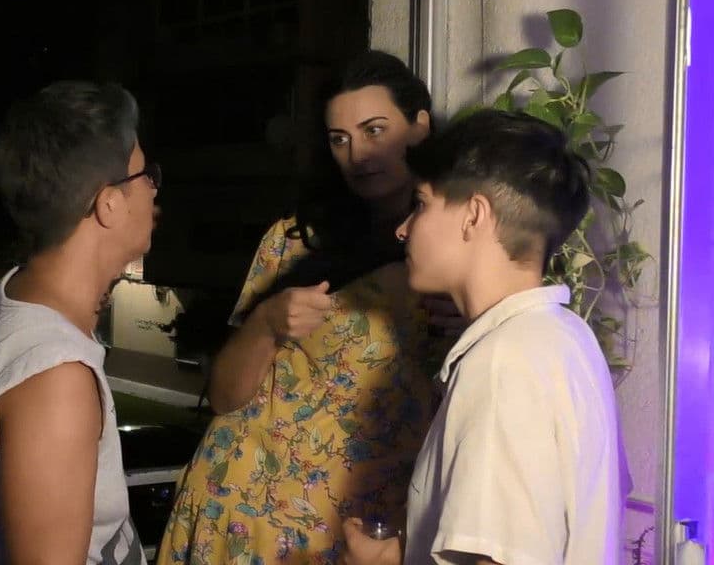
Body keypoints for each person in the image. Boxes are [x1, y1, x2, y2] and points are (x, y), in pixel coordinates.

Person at [159, 52, 459, 564]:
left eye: (375, 130)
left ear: (420, 126)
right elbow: (225, 397)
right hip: (247, 508)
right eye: (339, 139)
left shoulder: (460, 247)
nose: (357, 154)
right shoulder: (297, 240)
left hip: (366, 527)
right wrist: (266, 322)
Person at [342, 109, 627, 565]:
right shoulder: (566, 336)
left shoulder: (503, 362)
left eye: (421, 204)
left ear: (473, 216)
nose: (403, 228)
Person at [0, 81, 157, 564]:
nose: (155, 189)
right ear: (109, 203)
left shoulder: (10, 297)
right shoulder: (54, 378)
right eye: (146, 175)